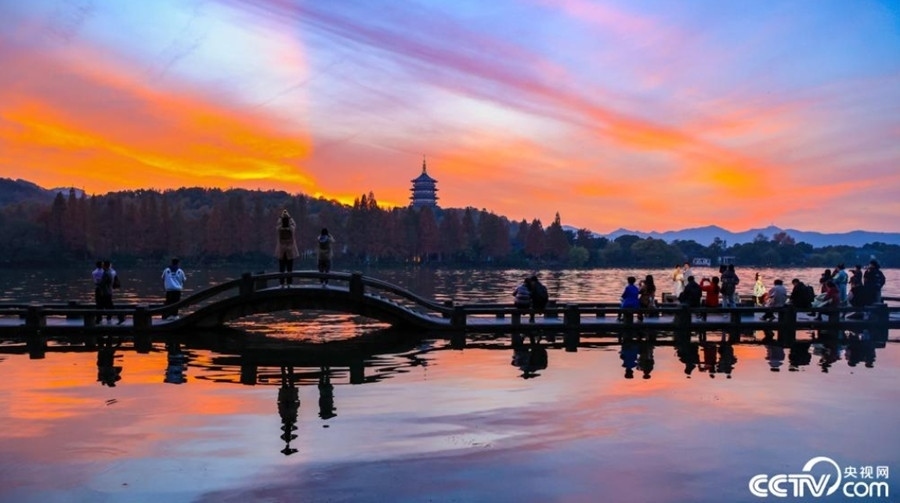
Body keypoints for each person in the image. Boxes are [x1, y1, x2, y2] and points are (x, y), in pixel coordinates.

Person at [275, 210, 299, 287]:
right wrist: (289, 218)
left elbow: (278, 226)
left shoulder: (280, 228)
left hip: (282, 250)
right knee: (289, 268)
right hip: (289, 250)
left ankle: (282, 283)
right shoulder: (291, 228)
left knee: (282, 268)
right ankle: (288, 283)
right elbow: (293, 225)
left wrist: (281, 218)